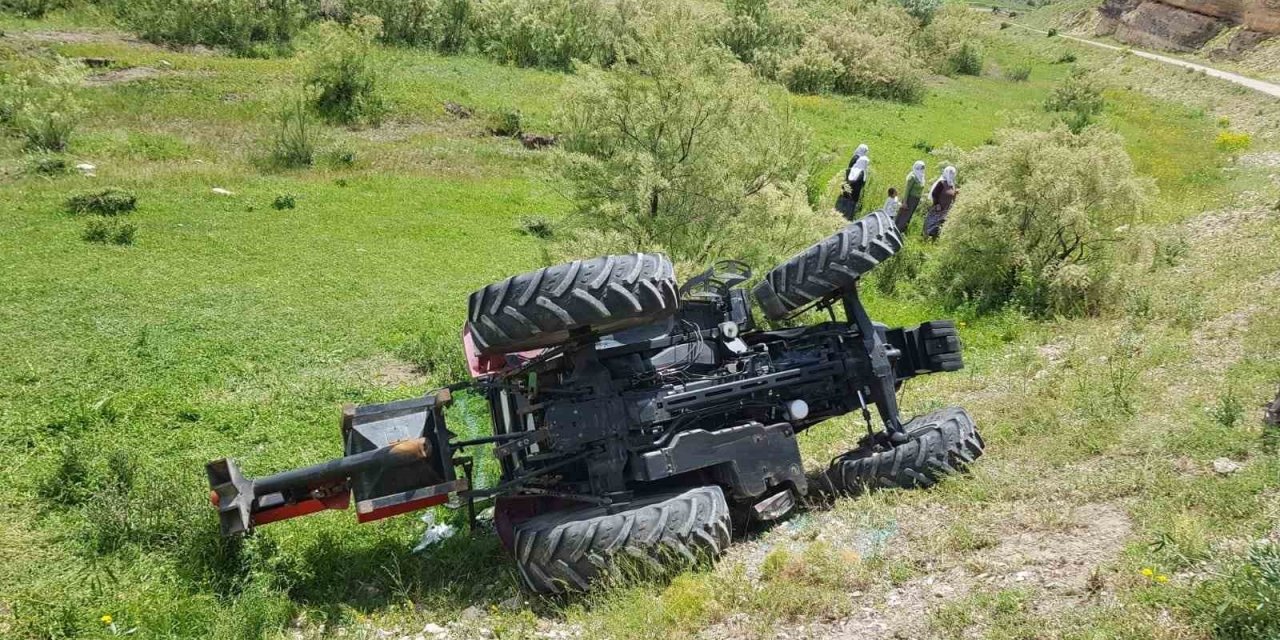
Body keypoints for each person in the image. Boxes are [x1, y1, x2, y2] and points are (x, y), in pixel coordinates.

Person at [923, 165, 958, 239]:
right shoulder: (941, 183)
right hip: (938, 208)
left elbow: (952, 195)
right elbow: (934, 194)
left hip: (945, 209)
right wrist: (937, 204)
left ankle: (934, 239)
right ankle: (925, 237)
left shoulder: (951, 184)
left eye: (953, 173)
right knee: (931, 222)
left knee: (940, 224)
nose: (952, 174)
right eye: (950, 173)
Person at [895, 160, 926, 232]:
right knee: (904, 216)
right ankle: (897, 230)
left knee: (909, 216)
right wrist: (905, 202)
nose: (922, 170)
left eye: (923, 168)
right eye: (921, 168)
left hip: (916, 200)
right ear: (917, 167)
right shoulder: (912, 177)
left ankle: (903, 230)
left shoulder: (921, 177)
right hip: (910, 199)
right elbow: (907, 190)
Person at [840, 155, 870, 221]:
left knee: (842, 208)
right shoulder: (861, 172)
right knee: (849, 211)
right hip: (854, 194)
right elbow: (856, 181)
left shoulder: (852, 168)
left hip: (846, 192)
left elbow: (847, 180)